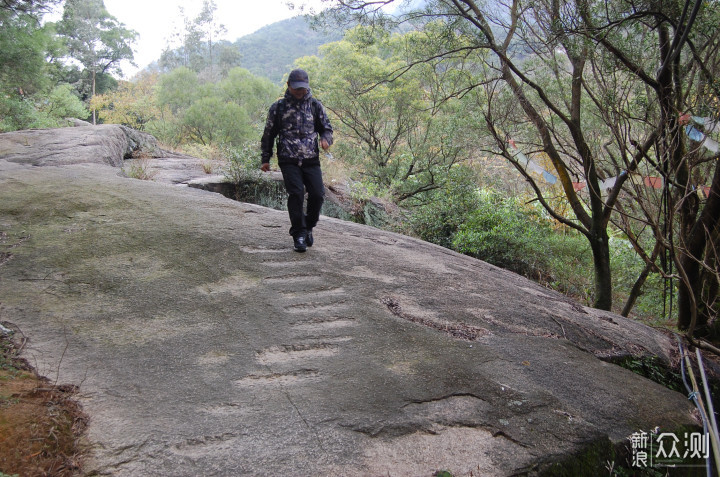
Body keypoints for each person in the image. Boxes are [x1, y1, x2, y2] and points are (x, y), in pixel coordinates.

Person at [260, 68, 334, 252]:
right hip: (288, 159)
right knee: (296, 193)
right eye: (296, 89)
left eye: (302, 88)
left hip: (311, 159)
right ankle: (299, 234)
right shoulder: (279, 108)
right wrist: (265, 158)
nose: (300, 92)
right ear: (288, 86)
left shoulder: (315, 106)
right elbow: (268, 134)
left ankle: (308, 226)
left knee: (317, 195)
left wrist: (326, 139)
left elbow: (327, 128)